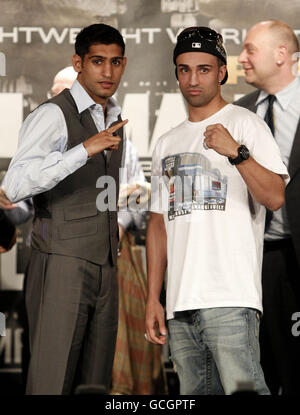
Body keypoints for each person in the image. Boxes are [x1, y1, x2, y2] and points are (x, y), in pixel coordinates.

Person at [145, 26, 289, 395]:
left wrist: (236, 152)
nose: (193, 79)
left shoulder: (246, 124)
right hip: (179, 304)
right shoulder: (166, 141)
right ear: (176, 72)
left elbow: (274, 196)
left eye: (204, 69)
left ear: (222, 72)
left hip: (230, 297)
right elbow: (159, 224)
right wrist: (153, 299)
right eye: (184, 69)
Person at [2, 23, 128, 395]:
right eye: (98, 61)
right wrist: (83, 150)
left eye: (116, 62)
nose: (108, 72)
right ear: (78, 63)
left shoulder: (113, 116)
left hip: (106, 263)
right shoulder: (53, 114)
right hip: (61, 261)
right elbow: (15, 184)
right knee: (50, 383)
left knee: (95, 385)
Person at [235, 20, 300, 395]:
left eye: (249, 49)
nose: (241, 58)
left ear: (280, 55)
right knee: (256, 369)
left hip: (298, 258)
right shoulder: (237, 113)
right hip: (253, 261)